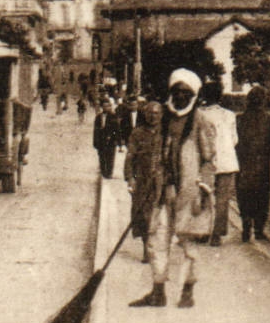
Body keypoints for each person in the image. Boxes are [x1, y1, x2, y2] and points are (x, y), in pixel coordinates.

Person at [129, 69, 220, 309]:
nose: (180, 96)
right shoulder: (164, 120)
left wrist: (204, 189)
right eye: (176, 92)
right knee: (156, 240)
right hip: (162, 192)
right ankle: (158, 291)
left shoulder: (201, 121)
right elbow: (157, 154)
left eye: (185, 93)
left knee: (189, 244)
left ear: (193, 95)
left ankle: (187, 291)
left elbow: (209, 160)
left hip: (189, 194)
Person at [236, 85, 270, 242]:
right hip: (262, 166)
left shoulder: (239, 119)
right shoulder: (269, 120)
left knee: (244, 195)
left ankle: (245, 226)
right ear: (263, 101)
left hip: (242, 165)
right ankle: (259, 230)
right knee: (261, 197)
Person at [198, 80, 240, 246]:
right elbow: (234, 139)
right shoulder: (229, 115)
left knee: (204, 196)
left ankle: (203, 231)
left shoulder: (199, 114)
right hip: (228, 161)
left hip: (207, 161)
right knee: (223, 199)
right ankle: (217, 234)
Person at [123, 101, 162, 261]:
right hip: (142, 180)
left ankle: (157, 247)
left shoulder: (166, 133)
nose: (153, 116)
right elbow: (130, 157)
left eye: (156, 113)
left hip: (161, 181)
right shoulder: (137, 133)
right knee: (143, 216)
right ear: (145, 115)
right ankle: (147, 247)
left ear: (161, 115)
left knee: (160, 216)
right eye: (150, 113)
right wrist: (130, 178)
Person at [92, 94, 131, 179]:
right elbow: (95, 130)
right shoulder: (98, 117)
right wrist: (95, 142)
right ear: (102, 107)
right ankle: (103, 172)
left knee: (110, 157)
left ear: (110, 107)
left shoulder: (113, 117)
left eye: (108, 106)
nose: (106, 108)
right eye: (104, 106)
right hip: (101, 141)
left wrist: (119, 142)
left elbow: (117, 130)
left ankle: (109, 173)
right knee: (102, 157)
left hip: (111, 141)